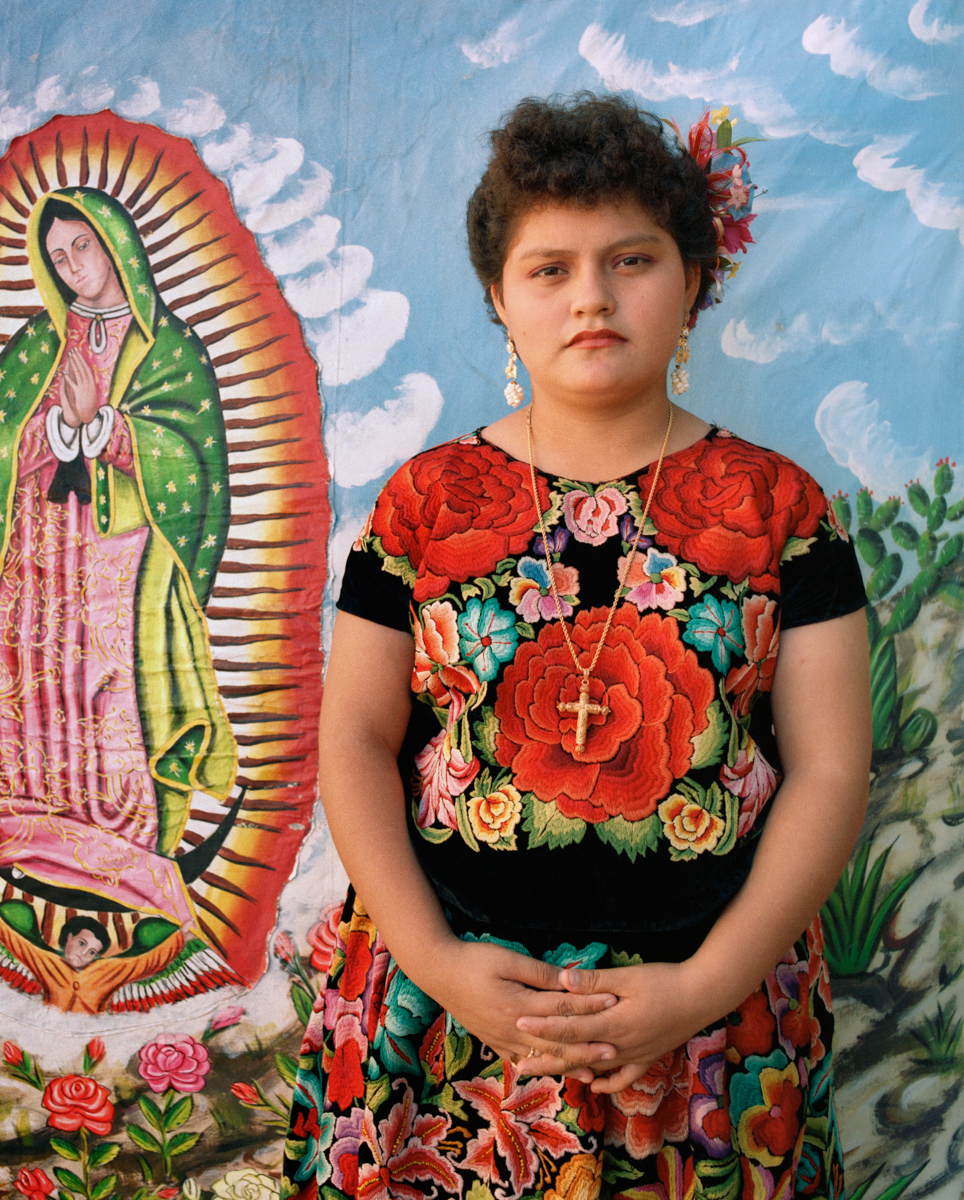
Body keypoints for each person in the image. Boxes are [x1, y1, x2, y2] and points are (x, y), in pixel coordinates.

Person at [283, 94, 870, 1200]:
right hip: (444, 1027)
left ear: (692, 279)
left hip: (715, 1036)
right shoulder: (421, 507)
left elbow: (833, 768)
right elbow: (357, 743)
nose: (591, 296)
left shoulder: (782, 509)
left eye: (631, 260)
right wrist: (444, 968)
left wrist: (702, 985)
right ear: (501, 299)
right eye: (549, 268)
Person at [0, 187, 238, 936]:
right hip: (37, 556)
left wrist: (105, 428)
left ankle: (120, 843)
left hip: (120, 558)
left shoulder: (168, 348)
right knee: (33, 685)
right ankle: (29, 822)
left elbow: (192, 462)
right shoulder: (36, 348)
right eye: (57, 257)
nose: (74, 267)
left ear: (116, 245)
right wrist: (52, 426)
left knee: (110, 690)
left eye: (82, 246)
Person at [0, 898, 187, 1014]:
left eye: (92, 952)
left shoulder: (107, 971)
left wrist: (179, 939)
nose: (84, 953)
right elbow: (20, 945)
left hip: (91, 1034)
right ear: (68, 938)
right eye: (82, 944)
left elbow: (144, 963)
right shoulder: (49, 962)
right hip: (49, 1029)